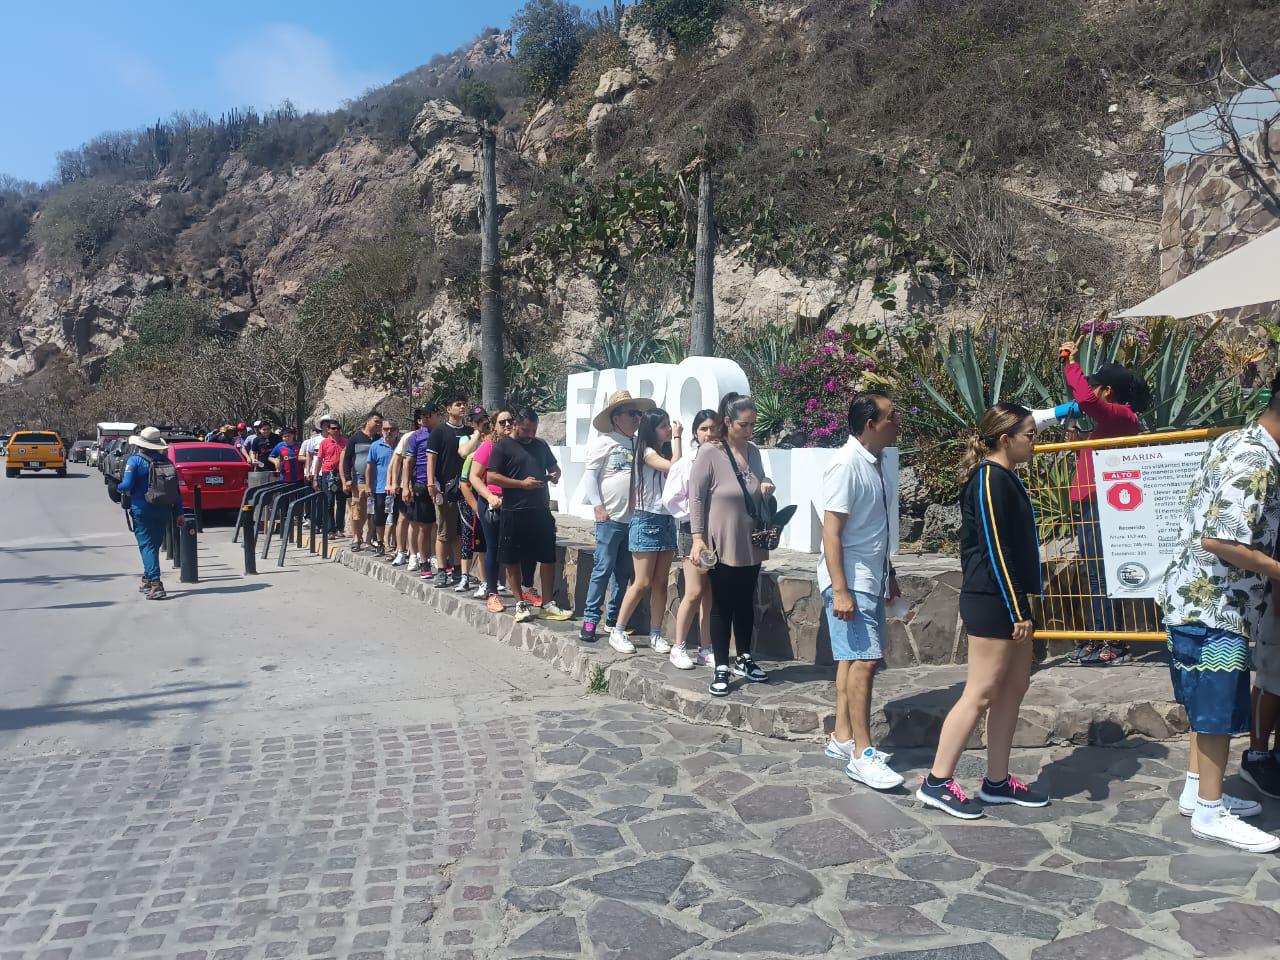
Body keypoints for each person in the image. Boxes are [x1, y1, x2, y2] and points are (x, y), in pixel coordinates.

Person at [1156, 389, 1280, 852]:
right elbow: (1221, 540)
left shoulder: (1234, 441)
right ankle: (1210, 812)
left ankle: (1197, 792)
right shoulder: (1256, 459)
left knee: (1206, 707)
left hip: (1198, 600)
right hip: (1215, 606)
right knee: (1216, 711)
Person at [917, 403, 1049, 819]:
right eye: (1029, 435)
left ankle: (997, 781)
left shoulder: (1006, 476)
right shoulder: (989, 479)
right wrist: (1016, 608)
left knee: (1014, 687)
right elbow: (995, 547)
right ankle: (937, 781)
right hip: (993, 598)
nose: (1035, 441)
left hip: (1010, 598)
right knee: (981, 692)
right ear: (1005, 439)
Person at [819, 391, 906, 791]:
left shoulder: (877, 462)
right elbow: (831, 532)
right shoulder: (846, 464)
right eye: (891, 416)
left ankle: (843, 738)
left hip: (869, 579)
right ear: (870, 424)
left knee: (853, 659)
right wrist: (840, 590)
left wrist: (889, 573)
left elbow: (873, 528)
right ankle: (862, 754)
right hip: (850, 582)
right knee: (866, 661)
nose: (898, 421)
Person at [1060, 342, 1152, 666]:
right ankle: (1101, 636)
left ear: (1108, 391)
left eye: (1095, 385)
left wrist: (1071, 364)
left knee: (1102, 572)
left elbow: (1086, 399)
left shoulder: (1123, 416)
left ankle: (1114, 641)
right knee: (1095, 573)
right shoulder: (1109, 423)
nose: (1090, 392)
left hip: (1102, 504)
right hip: (1090, 503)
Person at [689, 395, 775, 697]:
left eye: (752, 424)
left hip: (751, 538)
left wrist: (766, 483)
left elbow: (758, 479)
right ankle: (721, 666)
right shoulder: (710, 452)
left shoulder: (753, 451)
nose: (749, 430)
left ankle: (745, 657)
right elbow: (696, 496)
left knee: (745, 600)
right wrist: (697, 538)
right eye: (743, 424)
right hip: (721, 539)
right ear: (727, 422)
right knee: (722, 604)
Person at [579, 391, 654, 643]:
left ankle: (614, 618)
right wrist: (598, 507)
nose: (636, 418)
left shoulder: (639, 443)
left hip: (634, 520)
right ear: (616, 418)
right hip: (610, 519)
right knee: (602, 569)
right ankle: (590, 619)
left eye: (638, 413)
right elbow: (591, 476)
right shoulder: (604, 442)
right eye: (631, 413)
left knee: (623, 572)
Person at [487, 408, 572, 623]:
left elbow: (554, 467)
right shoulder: (502, 446)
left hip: (540, 509)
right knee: (512, 559)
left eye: (534, 430)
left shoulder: (540, 445)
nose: (530, 435)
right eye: (526, 430)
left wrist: (555, 475)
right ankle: (520, 602)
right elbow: (492, 477)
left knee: (547, 557)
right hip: (514, 510)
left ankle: (547, 604)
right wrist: (521, 484)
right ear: (515, 425)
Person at [609, 409, 683, 655]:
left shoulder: (664, 452)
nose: (669, 429)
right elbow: (675, 468)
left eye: (669, 425)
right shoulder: (646, 452)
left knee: (661, 582)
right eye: (663, 426)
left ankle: (656, 633)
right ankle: (618, 630)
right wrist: (678, 438)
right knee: (641, 582)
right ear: (652, 430)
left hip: (666, 519)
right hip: (646, 519)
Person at [662, 409, 721, 669]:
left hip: (717, 534)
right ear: (695, 433)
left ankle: (706, 647)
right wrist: (695, 514)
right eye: (704, 429)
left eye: (714, 428)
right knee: (694, 591)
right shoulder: (686, 463)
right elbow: (670, 499)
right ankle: (679, 646)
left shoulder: (724, 460)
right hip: (692, 532)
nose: (710, 433)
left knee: (710, 594)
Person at [118, 426, 179, 601]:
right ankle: (147, 579)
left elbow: (127, 485)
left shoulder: (135, 461)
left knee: (147, 546)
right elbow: (176, 490)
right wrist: (179, 512)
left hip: (142, 509)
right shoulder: (167, 462)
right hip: (164, 509)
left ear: (140, 444)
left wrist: (117, 486)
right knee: (153, 546)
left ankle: (156, 584)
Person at [471, 409, 517, 611]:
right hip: (492, 504)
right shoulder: (488, 446)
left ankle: (523, 591)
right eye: (502, 422)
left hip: (514, 503)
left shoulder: (518, 446)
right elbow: (474, 476)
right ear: (494, 426)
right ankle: (492, 593)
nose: (507, 425)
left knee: (516, 548)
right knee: (493, 547)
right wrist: (489, 496)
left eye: (510, 421)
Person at [427, 396, 473, 589]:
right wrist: (431, 483)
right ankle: (441, 570)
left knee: (460, 533)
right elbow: (431, 459)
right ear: (448, 409)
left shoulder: (470, 432)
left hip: (466, 489)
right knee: (444, 532)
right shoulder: (439, 432)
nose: (462, 407)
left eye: (463, 404)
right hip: (445, 489)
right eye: (457, 404)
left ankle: (457, 569)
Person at [455, 409, 491, 597]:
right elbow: (464, 453)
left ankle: (491, 579)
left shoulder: (493, 440)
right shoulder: (467, 438)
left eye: (485, 419)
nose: (482, 422)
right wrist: (477, 433)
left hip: (487, 495)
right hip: (469, 495)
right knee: (468, 536)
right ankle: (465, 576)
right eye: (478, 420)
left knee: (488, 541)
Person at [403, 404, 441, 574]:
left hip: (442, 486)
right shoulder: (416, 436)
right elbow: (408, 462)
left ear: (437, 415)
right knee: (424, 526)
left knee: (439, 526)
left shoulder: (442, 433)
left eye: (429, 414)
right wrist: (406, 486)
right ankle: (423, 561)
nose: (425, 418)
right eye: (423, 415)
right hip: (422, 484)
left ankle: (438, 558)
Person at [340, 411, 382, 552]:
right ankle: (356, 538)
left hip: (376, 482)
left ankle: (369, 540)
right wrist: (347, 479)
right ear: (368, 421)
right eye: (376, 421)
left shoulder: (379, 439)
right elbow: (347, 459)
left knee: (373, 513)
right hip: (358, 481)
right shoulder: (355, 438)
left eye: (380, 422)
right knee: (357, 512)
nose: (378, 425)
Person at [366, 419, 398, 555]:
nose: (389, 432)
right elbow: (369, 467)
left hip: (398, 488)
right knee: (379, 517)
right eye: (386, 429)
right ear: (381, 430)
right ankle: (380, 543)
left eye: (392, 429)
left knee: (398, 518)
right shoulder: (375, 446)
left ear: (397, 431)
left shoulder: (401, 445)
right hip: (380, 487)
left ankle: (397, 545)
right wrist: (368, 486)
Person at [316, 418, 348, 537]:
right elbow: (319, 460)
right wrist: (315, 477)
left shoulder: (346, 442)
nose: (336, 430)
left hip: (341, 474)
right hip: (328, 473)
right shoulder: (324, 443)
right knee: (329, 502)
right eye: (333, 428)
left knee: (341, 502)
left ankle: (340, 528)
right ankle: (330, 529)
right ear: (328, 430)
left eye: (338, 428)